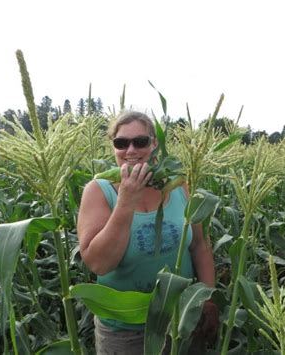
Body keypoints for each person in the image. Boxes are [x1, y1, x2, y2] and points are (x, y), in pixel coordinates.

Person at [77, 111, 217, 354]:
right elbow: (99, 264)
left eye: (140, 142)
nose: (130, 150)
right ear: (114, 148)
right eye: (121, 143)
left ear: (154, 144)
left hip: (181, 319)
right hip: (125, 330)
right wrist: (126, 201)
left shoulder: (178, 184)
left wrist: (206, 297)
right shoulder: (98, 191)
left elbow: (200, 245)